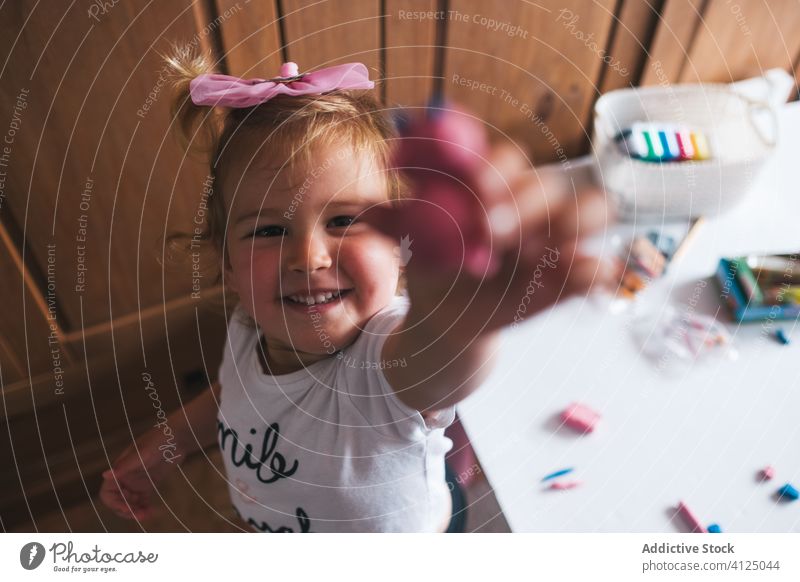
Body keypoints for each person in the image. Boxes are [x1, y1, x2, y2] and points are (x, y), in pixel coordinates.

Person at [99, 48, 611, 532]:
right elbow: (237, 393)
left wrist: (456, 326)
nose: (309, 258)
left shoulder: (383, 361)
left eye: (344, 220)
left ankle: (455, 464)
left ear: (399, 244)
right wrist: (167, 444)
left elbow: (432, 363)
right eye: (268, 230)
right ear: (226, 262)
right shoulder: (249, 326)